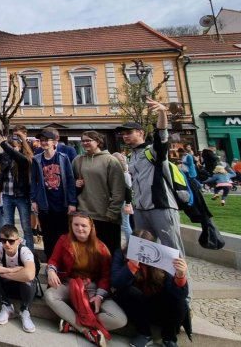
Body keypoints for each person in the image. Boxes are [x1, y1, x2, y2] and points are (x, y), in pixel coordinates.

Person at [45, 212, 127, 346]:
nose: (79, 228)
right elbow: (53, 260)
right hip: (69, 283)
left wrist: (100, 296)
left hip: (92, 287)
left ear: (91, 227)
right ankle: (85, 330)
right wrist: (51, 271)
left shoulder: (101, 248)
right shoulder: (64, 240)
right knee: (49, 295)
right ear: (71, 225)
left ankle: (71, 324)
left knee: (120, 319)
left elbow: (106, 275)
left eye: (83, 225)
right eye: (76, 224)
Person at [118, 99, 186, 257]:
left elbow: (162, 135)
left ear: (141, 133)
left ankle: (181, 282)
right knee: (142, 253)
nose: (125, 136)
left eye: (129, 133)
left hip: (161, 207)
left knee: (172, 251)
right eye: (123, 134)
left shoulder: (152, 151)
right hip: (141, 209)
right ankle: (148, 281)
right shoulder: (131, 156)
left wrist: (162, 112)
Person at [112, 229, 189, 347]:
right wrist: (131, 265)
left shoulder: (163, 258)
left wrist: (180, 276)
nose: (141, 251)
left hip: (158, 306)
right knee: (129, 292)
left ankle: (169, 339)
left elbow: (179, 295)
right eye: (136, 247)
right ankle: (144, 333)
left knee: (180, 303)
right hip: (135, 306)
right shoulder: (121, 255)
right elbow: (116, 282)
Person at [72, 131, 126, 255]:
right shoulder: (78, 160)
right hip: (85, 214)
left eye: (88, 140)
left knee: (108, 252)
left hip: (106, 215)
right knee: (88, 252)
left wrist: (113, 211)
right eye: (83, 141)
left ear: (98, 142)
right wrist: (75, 184)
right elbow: (71, 185)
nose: (85, 143)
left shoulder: (110, 160)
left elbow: (118, 188)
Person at [0, 224, 37, 332]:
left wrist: (5, 274)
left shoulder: (24, 251)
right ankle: (6, 305)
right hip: (7, 285)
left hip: (23, 288)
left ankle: (25, 310)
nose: (7, 244)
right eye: (3, 240)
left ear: (18, 240)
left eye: (11, 241)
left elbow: (29, 274)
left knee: (29, 280)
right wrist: (8, 270)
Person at [30, 128, 77, 260]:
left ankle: (64, 261)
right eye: (42, 140)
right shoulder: (37, 159)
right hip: (45, 203)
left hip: (62, 202)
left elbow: (70, 179)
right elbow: (34, 180)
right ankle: (51, 261)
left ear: (54, 142)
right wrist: (33, 200)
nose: (44, 143)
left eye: (47, 140)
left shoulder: (63, 158)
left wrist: (72, 202)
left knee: (63, 234)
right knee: (48, 234)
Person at [0, 132, 34, 249]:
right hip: (7, 196)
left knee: (26, 227)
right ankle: (11, 251)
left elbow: (16, 156)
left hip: (21, 196)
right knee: (8, 226)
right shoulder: (4, 157)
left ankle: (30, 253)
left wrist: (4, 144)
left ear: (20, 147)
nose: (11, 149)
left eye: (14, 146)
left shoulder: (24, 158)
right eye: (10, 146)